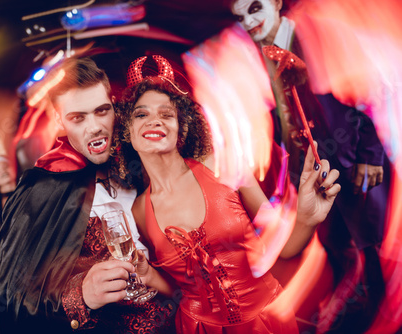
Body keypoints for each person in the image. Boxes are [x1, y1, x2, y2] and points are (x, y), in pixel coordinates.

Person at [112, 55, 341, 333]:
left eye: (166, 113)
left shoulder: (225, 166)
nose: (154, 121)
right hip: (197, 327)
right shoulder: (137, 211)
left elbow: (282, 248)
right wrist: (149, 275)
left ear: (181, 126)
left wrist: (306, 218)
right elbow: (175, 289)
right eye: (141, 114)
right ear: (127, 129)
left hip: (266, 321)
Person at [229, 1, 390, 331]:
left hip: (352, 165)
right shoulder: (259, 55)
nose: (248, 21)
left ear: (276, 2)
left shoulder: (318, 35)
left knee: (370, 250)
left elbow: (368, 89)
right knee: (336, 249)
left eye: (255, 8)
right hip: (313, 176)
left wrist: (370, 155)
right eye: (240, 16)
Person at [0, 56, 175, 333]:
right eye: (78, 117)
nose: (94, 127)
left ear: (114, 106)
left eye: (102, 111)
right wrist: (80, 296)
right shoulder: (41, 188)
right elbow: (12, 299)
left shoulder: (138, 161)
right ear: (59, 120)